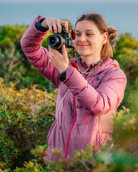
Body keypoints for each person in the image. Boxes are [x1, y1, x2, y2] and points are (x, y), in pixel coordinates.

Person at [20, 12, 127, 162]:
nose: (82, 39)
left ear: (104, 38)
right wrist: (43, 24)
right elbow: (29, 47)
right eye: (77, 34)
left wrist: (66, 71)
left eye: (89, 34)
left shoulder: (115, 75)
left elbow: (99, 105)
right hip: (57, 161)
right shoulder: (65, 65)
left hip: (92, 163)